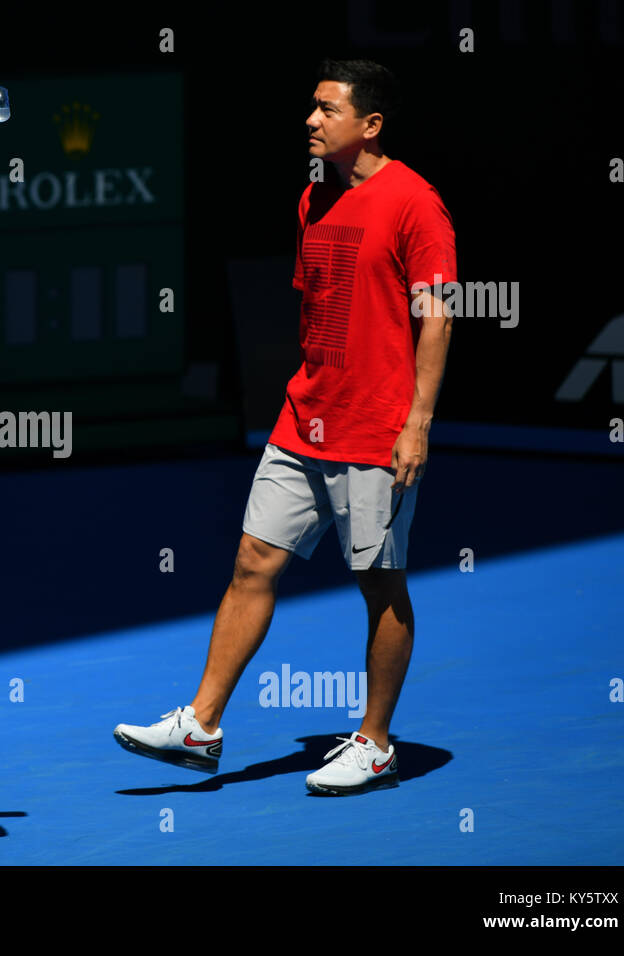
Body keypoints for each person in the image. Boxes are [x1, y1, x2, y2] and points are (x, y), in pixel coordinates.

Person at [113, 59, 455, 795]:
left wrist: (417, 422)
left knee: (380, 583)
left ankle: (375, 741)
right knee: (251, 563)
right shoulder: (312, 197)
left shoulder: (416, 203)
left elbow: (438, 316)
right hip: (304, 421)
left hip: (377, 429)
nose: (310, 119)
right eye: (311, 107)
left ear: (370, 125)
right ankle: (201, 726)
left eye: (328, 109)